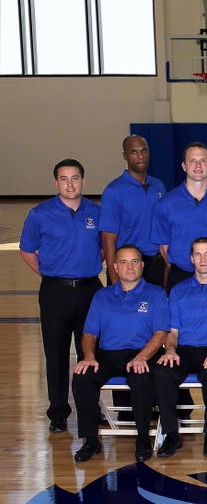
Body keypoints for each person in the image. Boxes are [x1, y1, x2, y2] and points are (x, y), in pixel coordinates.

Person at [19, 158, 103, 433]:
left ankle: (91, 408)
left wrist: (88, 267)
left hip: (90, 290)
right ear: (56, 183)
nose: (70, 184)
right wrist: (49, 273)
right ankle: (58, 412)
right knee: (55, 353)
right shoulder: (39, 214)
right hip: (54, 291)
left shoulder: (97, 212)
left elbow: (105, 247)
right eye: (64, 179)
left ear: (83, 181)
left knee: (90, 351)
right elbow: (26, 250)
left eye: (75, 178)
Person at [71, 244, 168, 462]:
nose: (130, 267)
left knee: (141, 378)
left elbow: (161, 333)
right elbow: (89, 333)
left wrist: (142, 357)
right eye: (124, 262)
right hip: (109, 354)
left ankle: (143, 439)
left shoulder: (156, 294)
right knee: (82, 377)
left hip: (143, 353)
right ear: (115, 267)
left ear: (142, 265)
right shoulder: (102, 296)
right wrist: (89, 356)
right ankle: (91, 441)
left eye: (134, 261)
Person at [152, 237, 207, 458]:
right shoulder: (178, 290)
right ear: (191, 259)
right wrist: (170, 350)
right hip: (184, 349)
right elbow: (173, 331)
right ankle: (171, 435)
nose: (203, 258)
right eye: (198, 254)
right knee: (161, 372)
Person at [152, 143, 207, 291]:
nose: (198, 166)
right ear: (184, 166)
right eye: (192, 161)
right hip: (180, 275)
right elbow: (164, 246)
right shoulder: (165, 203)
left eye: (203, 160)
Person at [100, 135, 168, 288]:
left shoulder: (159, 186)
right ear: (125, 156)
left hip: (156, 264)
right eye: (134, 152)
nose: (140, 156)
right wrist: (115, 283)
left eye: (144, 151)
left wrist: (166, 267)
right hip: (129, 267)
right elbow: (108, 240)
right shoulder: (113, 191)